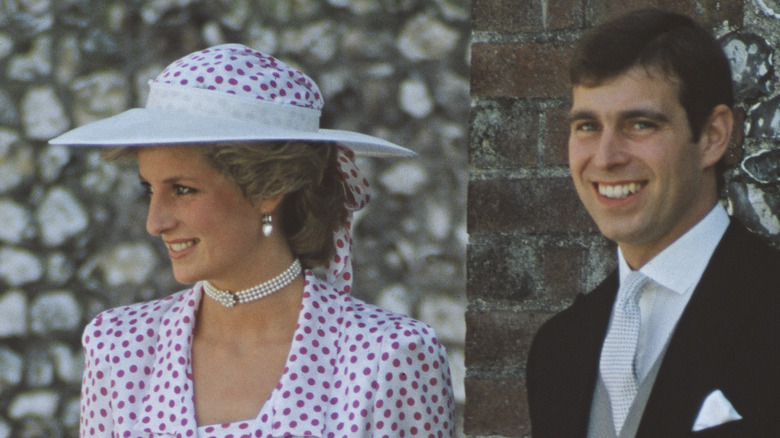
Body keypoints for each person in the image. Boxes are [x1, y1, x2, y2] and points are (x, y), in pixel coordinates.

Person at [50, 44, 454, 438]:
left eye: (183, 190)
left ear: (268, 189)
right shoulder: (120, 348)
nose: (154, 223)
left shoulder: (387, 357)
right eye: (148, 189)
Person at [526, 8, 780, 438]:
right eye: (587, 125)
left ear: (714, 136)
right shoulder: (557, 349)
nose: (605, 157)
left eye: (640, 124)